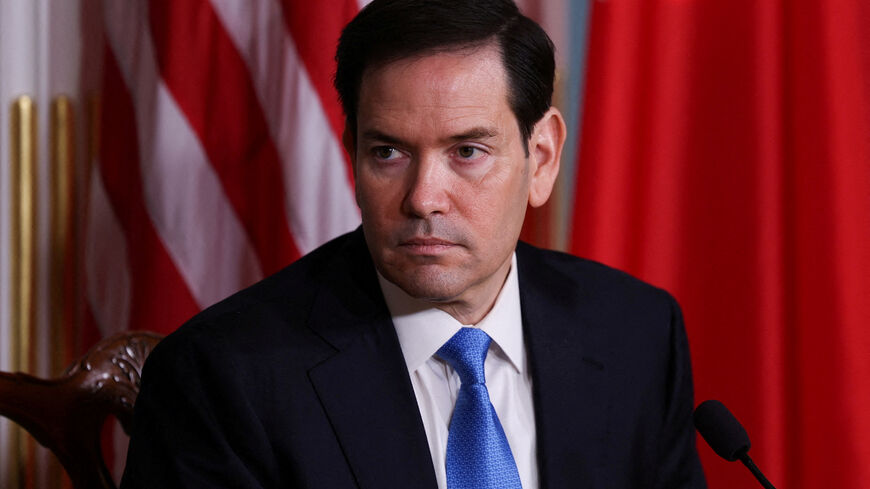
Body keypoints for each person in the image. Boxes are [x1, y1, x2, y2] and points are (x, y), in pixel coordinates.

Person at [120, 0, 706, 488]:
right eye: (388, 153)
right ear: (351, 155)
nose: (423, 198)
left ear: (543, 158)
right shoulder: (223, 379)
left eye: (467, 152)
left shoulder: (638, 335)